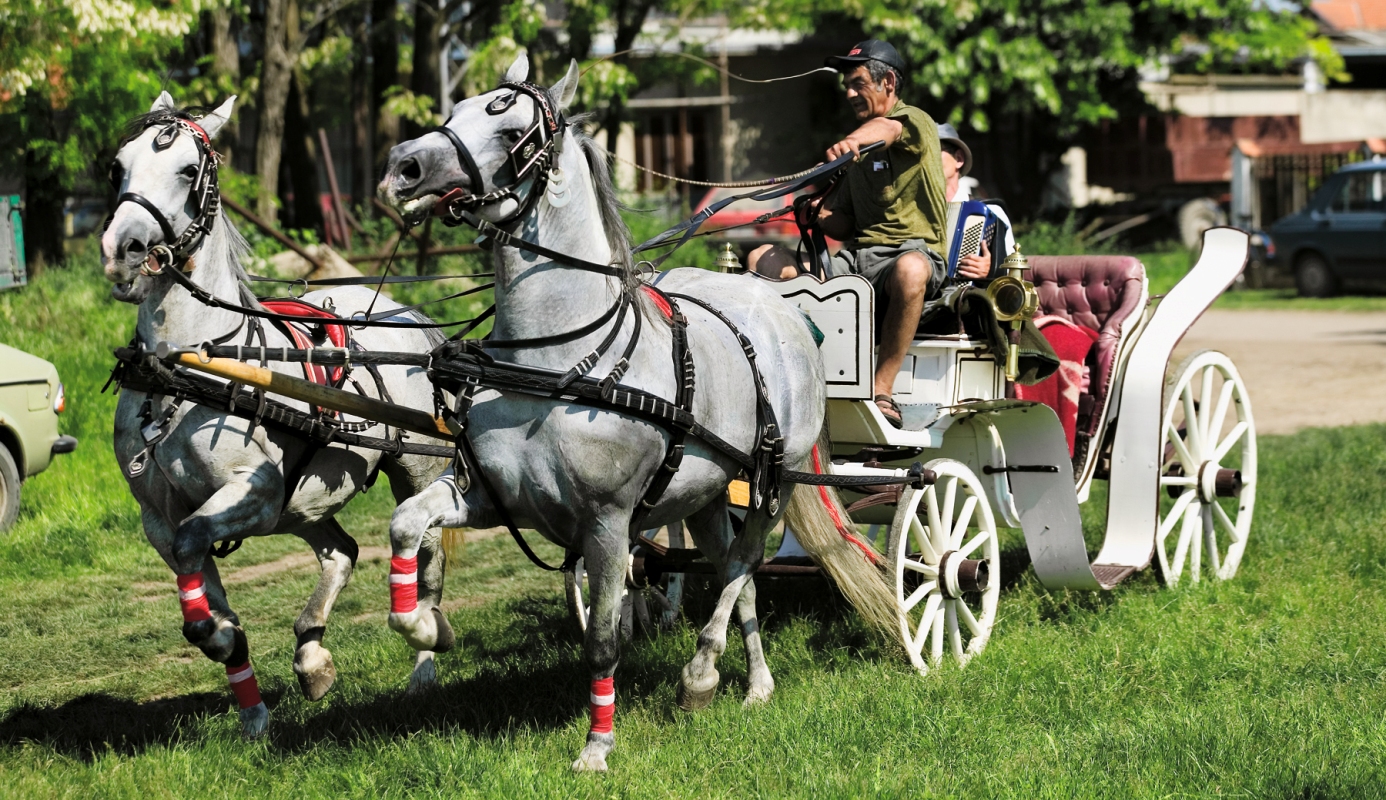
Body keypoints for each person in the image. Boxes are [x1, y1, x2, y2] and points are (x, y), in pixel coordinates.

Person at [748, 39, 989, 427]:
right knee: (763, 259)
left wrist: (854, 141)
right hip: (857, 261)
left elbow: (888, 128)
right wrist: (820, 214)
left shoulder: (915, 122)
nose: (848, 92)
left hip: (913, 254)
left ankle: (882, 390)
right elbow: (843, 223)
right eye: (847, 84)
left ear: (888, 81)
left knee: (911, 269)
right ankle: (779, 378)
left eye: (858, 82)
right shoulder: (858, 154)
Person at [938, 122, 1015, 274]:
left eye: (933, 151)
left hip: (967, 296)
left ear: (959, 158)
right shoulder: (911, 212)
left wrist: (991, 270)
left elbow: (1013, 272)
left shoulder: (992, 211)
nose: (925, 161)